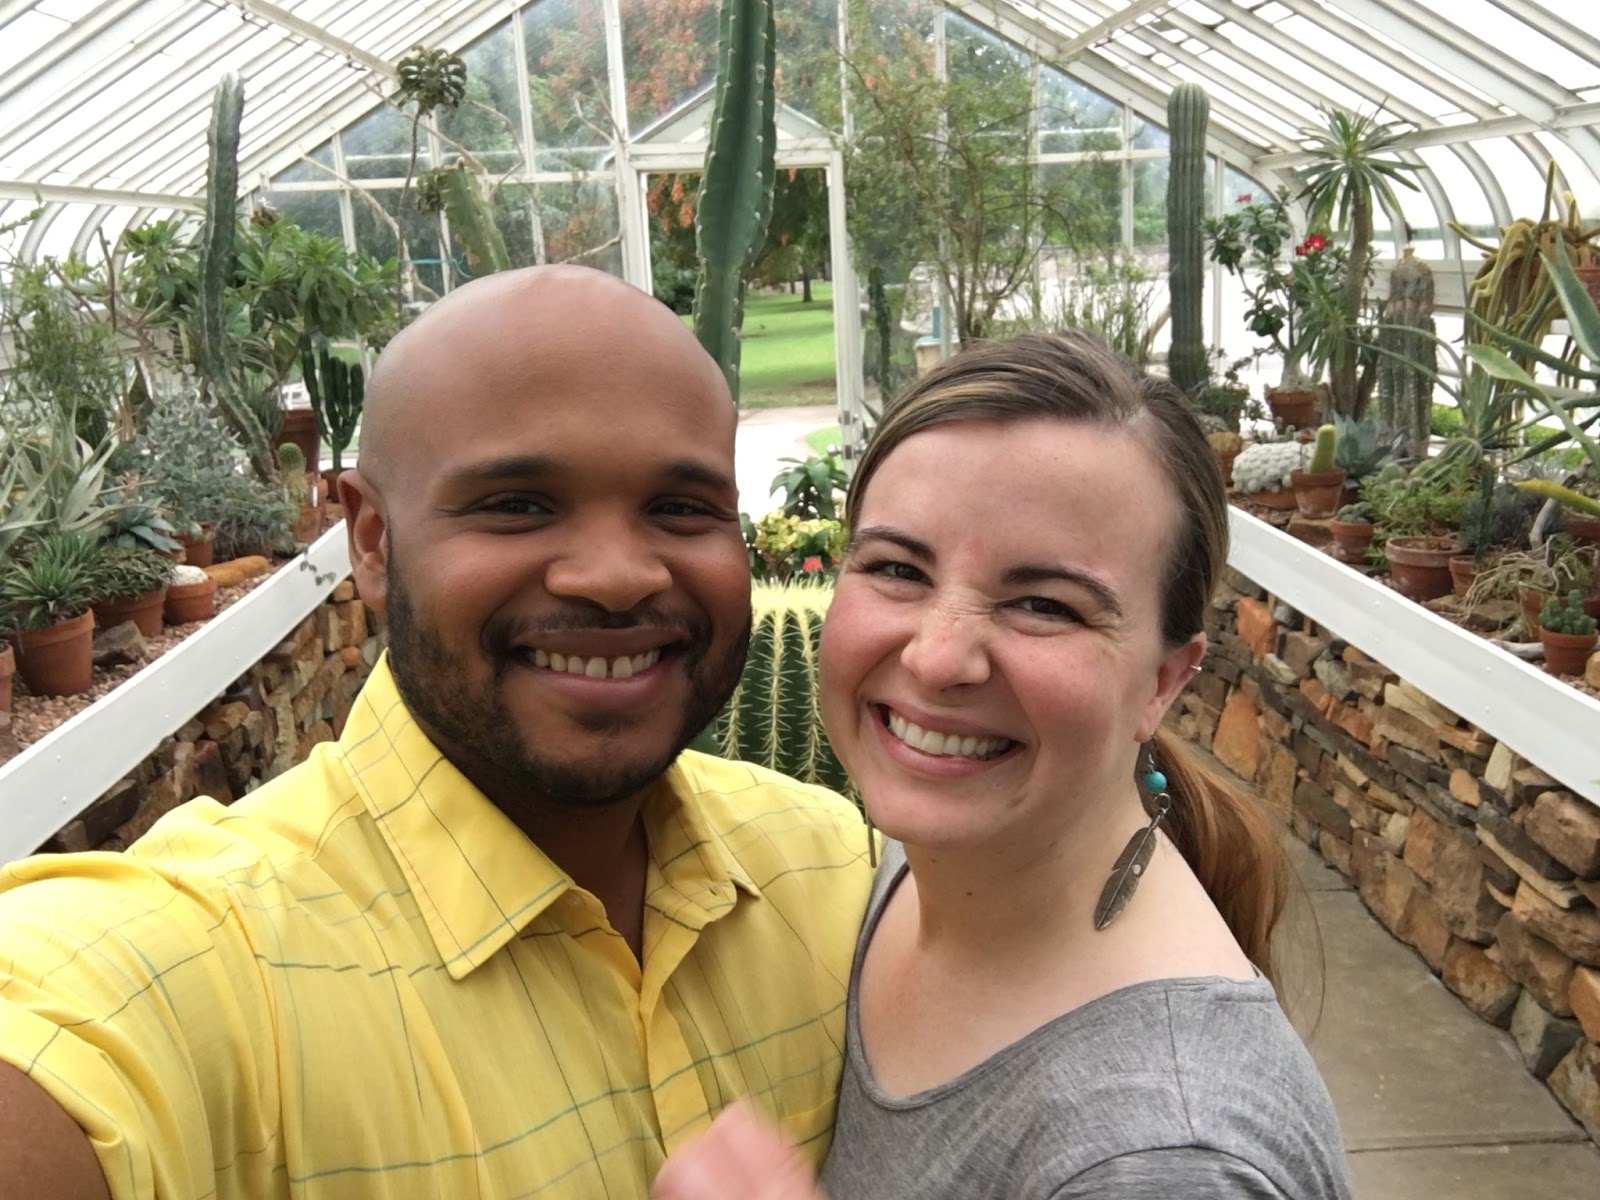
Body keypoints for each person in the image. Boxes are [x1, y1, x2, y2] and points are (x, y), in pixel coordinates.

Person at [0, 266, 874, 1198]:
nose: (618, 575)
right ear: (371, 541)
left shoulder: (836, 873)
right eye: (518, 505)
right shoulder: (209, 964)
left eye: (681, 508)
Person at [654, 333, 1352, 1199]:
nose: (941, 658)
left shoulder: (1165, 1156)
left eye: (1042, 604)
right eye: (898, 568)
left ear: (1166, 680)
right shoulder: (921, 869)